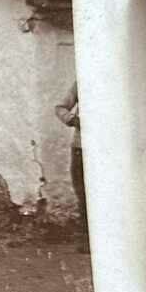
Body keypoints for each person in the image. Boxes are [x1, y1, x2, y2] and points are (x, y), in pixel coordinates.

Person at [55, 79, 89, 253]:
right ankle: (86, 239)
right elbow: (60, 107)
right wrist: (73, 120)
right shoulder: (82, 81)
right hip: (81, 148)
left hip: (108, 148)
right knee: (83, 194)